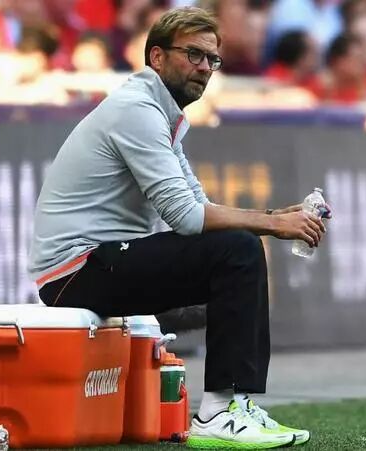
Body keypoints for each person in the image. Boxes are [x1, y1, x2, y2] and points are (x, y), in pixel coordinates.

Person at [28, 7, 324, 449]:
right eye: (193, 55)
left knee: (238, 257)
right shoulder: (137, 110)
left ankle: (235, 405)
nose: (204, 67)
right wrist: (273, 224)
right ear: (157, 56)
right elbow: (186, 218)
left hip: (97, 263)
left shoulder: (160, 115)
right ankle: (219, 413)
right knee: (239, 252)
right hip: (75, 271)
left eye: (212, 59)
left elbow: (199, 209)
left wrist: (272, 215)